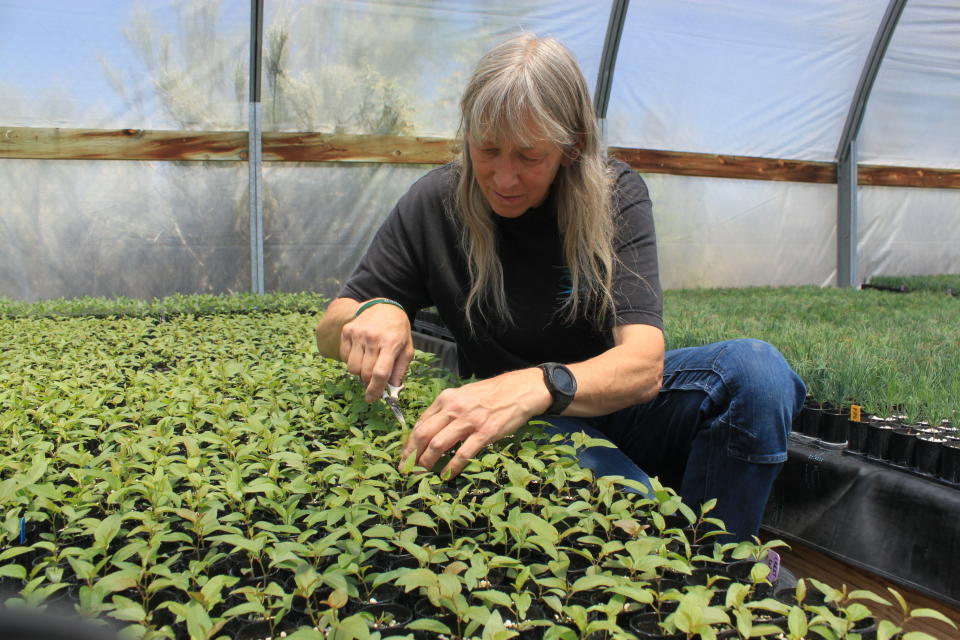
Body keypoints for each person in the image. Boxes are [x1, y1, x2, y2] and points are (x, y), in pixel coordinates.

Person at [315, 33, 806, 542]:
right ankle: (668, 562)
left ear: (571, 146)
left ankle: (726, 565)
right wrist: (376, 309)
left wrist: (535, 385)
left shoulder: (614, 196)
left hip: (604, 404)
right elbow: (329, 329)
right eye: (488, 149)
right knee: (631, 517)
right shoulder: (437, 202)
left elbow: (642, 366)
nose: (504, 177)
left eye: (529, 156)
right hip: (517, 424)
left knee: (757, 374)